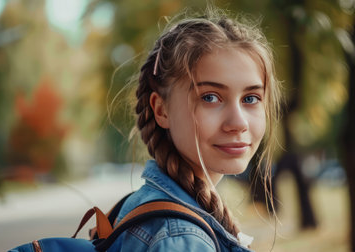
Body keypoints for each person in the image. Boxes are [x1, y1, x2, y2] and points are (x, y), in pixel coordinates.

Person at [108, 8, 281, 252]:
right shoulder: (180, 239)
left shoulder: (149, 206)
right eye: (210, 97)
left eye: (251, 98)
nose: (238, 123)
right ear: (161, 110)